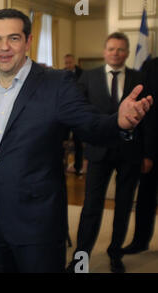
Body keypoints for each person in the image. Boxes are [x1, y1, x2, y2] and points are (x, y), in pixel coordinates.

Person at [0, 9, 153, 273]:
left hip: (37, 227)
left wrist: (118, 122)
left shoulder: (57, 84)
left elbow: (92, 126)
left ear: (28, 40)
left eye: (13, 38)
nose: (4, 47)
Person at [68, 32, 154, 273]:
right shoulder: (88, 77)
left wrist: (148, 154)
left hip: (131, 153)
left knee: (124, 206)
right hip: (98, 152)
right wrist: (80, 153)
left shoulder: (140, 77)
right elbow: (80, 116)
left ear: (127, 53)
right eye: (111, 48)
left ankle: (115, 253)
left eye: (120, 49)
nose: (115, 53)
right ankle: (80, 259)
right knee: (91, 207)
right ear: (104, 51)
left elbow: (148, 119)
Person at [121, 57, 158, 256]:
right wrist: (147, 153)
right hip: (154, 148)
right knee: (146, 197)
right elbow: (147, 113)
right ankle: (140, 241)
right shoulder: (152, 66)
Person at [64, 54, 84, 175]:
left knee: (78, 142)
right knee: (63, 141)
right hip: (65, 111)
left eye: (69, 63)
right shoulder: (61, 74)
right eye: (66, 63)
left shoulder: (83, 74)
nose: (68, 65)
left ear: (74, 62)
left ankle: (78, 167)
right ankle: (64, 166)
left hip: (77, 111)